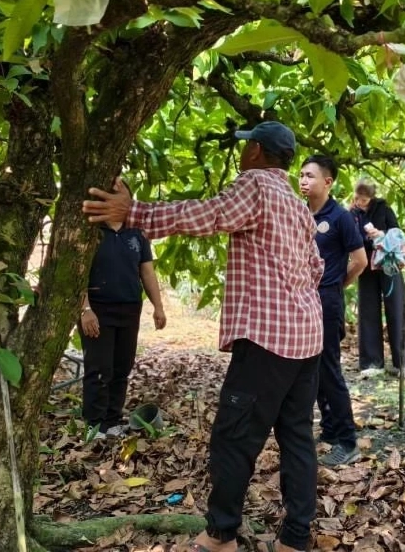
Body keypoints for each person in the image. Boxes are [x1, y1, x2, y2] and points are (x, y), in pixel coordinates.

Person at [82, 121, 322, 552]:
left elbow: (208, 214)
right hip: (306, 339)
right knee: (297, 438)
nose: (242, 152)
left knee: (233, 438)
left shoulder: (256, 186)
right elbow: (316, 269)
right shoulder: (297, 203)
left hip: (268, 340)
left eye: (246, 145)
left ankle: (220, 536)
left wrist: (133, 213)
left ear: (255, 152)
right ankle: (296, 538)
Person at [79, 180, 167, 439]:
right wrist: (85, 309)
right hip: (98, 309)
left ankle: (112, 421)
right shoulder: (91, 230)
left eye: (122, 194)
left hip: (129, 308)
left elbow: (147, 271)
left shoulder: (136, 232)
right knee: (99, 368)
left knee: (121, 367)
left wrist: (158, 307)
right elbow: (77, 274)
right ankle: (94, 425)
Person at [298, 155, 368, 466]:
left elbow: (360, 261)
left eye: (310, 176)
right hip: (303, 301)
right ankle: (328, 429)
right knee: (312, 368)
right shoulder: (300, 213)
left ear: (328, 182)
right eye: (300, 174)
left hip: (327, 301)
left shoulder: (340, 217)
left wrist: (338, 284)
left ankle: (348, 441)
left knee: (329, 369)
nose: (303, 180)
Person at [350, 180, 405, 379]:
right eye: (357, 198)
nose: (360, 202)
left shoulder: (384, 209)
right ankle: (372, 362)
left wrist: (381, 234)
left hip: (388, 263)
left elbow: (397, 233)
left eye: (363, 200)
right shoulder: (351, 213)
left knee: (396, 308)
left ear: (371, 198)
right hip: (366, 265)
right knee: (368, 310)